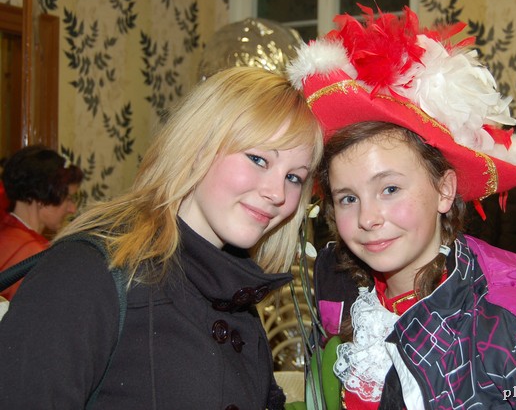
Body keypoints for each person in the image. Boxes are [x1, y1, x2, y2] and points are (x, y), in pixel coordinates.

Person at [286, 5, 516, 409]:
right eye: (348, 198)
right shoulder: (345, 297)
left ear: (444, 190)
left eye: (390, 188)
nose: (367, 218)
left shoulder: (514, 323)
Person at [0, 66, 323, 409]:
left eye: (294, 177)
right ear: (198, 146)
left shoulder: (236, 296)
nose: (277, 193)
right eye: (258, 159)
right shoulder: (85, 273)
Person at [0, 145, 83, 300]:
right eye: (68, 199)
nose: (72, 209)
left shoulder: (6, 233)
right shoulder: (33, 254)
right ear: (41, 197)